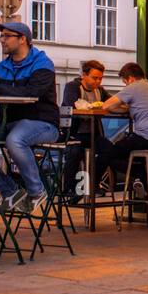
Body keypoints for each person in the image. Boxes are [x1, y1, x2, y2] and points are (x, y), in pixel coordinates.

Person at [0, 22, 59, 215]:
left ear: (22, 39)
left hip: (44, 125)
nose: (2, 40)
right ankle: (10, 192)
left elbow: (32, 93)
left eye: (7, 36)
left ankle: (36, 191)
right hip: (10, 124)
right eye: (1, 36)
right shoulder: (3, 66)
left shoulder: (42, 64)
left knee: (15, 140)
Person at [96, 62, 148, 194]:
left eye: (125, 82)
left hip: (147, 139)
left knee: (108, 153)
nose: (126, 85)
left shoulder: (134, 87)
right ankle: (142, 180)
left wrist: (125, 107)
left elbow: (106, 106)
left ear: (131, 79)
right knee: (128, 151)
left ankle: (93, 186)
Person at [60, 60, 112, 197]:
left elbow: (111, 102)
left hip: (93, 134)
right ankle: (69, 189)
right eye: (94, 78)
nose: (98, 82)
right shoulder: (72, 87)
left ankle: (93, 183)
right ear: (84, 75)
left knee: (108, 149)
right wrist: (94, 107)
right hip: (74, 133)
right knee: (74, 151)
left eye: (100, 78)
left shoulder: (100, 91)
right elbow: (72, 105)